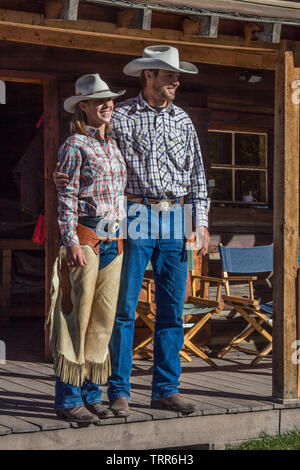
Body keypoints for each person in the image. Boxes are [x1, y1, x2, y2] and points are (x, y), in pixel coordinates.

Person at [54, 45, 210, 417]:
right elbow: (86, 145)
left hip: (176, 216)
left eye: (177, 76)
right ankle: (118, 391)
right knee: (122, 309)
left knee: (171, 309)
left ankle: (166, 390)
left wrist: (200, 221)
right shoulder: (120, 117)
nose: (176, 81)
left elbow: (197, 175)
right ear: (149, 75)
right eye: (169, 75)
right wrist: (62, 178)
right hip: (135, 212)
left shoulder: (184, 120)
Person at [47, 73, 127, 424]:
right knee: (75, 319)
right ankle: (69, 398)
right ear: (84, 106)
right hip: (87, 237)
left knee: (102, 322)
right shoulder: (73, 145)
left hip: (115, 240)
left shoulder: (113, 144)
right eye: (99, 101)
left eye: (109, 100)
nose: (107, 105)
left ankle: (93, 395)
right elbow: (66, 197)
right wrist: (72, 241)